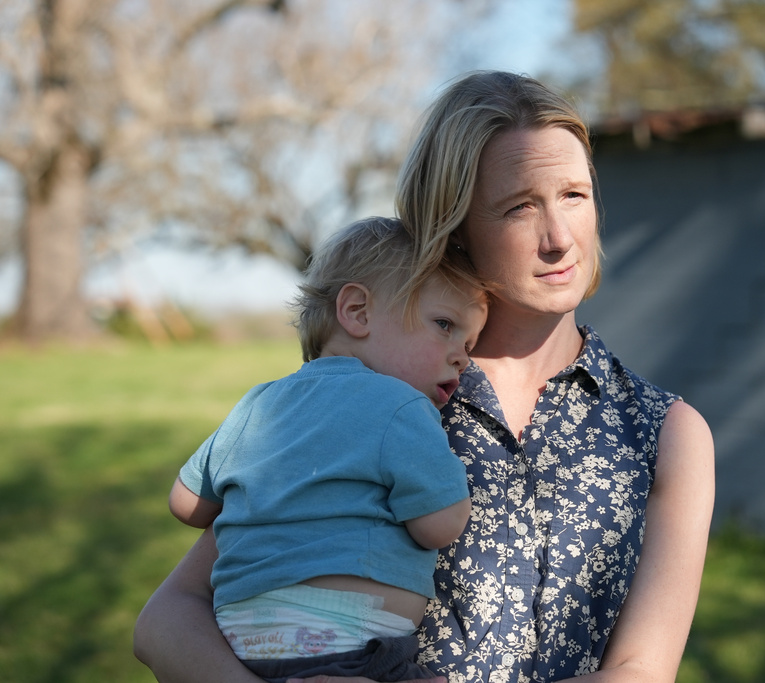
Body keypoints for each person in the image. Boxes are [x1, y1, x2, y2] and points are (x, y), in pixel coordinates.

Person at [135, 70, 715, 683]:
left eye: (574, 195)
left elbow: (640, 673)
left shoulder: (664, 432)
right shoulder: (378, 394)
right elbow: (169, 617)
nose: (560, 239)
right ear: (454, 228)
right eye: (520, 205)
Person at [165, 216, 488, 683]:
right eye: (444, 325)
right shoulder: (402, 405)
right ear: (357, 311)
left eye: (470, 342)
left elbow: (186, 503)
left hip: (240, 639)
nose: (462, 355)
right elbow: (440, 526)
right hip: (349, 637)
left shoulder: (258, 401)